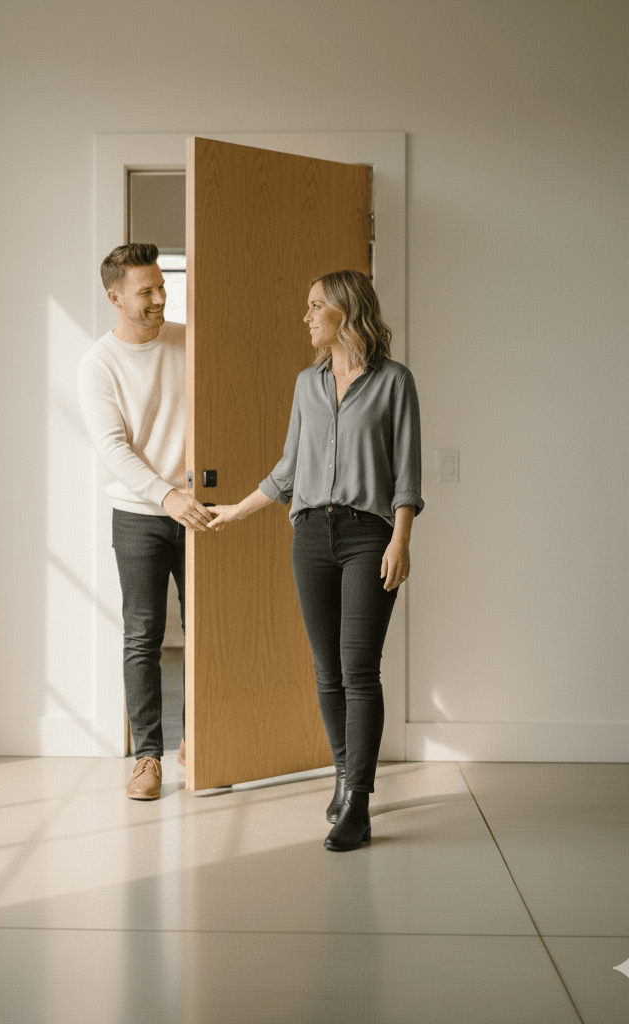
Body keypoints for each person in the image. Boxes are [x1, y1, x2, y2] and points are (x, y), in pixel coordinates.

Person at [207, 269, 423, 850]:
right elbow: (288, 468)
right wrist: (237, 510)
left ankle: (358, 802)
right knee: (327, 670)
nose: (305, 317)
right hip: (309, 534)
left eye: (314, 307)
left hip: (368, 536)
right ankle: (343, 773)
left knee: (359, 670)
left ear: (345, 313)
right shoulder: (307, 383)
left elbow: (406, 473)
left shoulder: (394, 382)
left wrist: (400, 540)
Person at [78, 243, 215, 800]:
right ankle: (148, 758)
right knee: (144, 636)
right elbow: (112, 448)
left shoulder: (189, 340)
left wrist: (189, 497)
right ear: (115, 297)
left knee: (208, 632)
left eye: (162, 286)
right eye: (147, 291)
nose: (161, 297)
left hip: (199, 506)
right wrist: (165, 497)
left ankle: (202, 742)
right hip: (140, 515)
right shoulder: (99, 363)